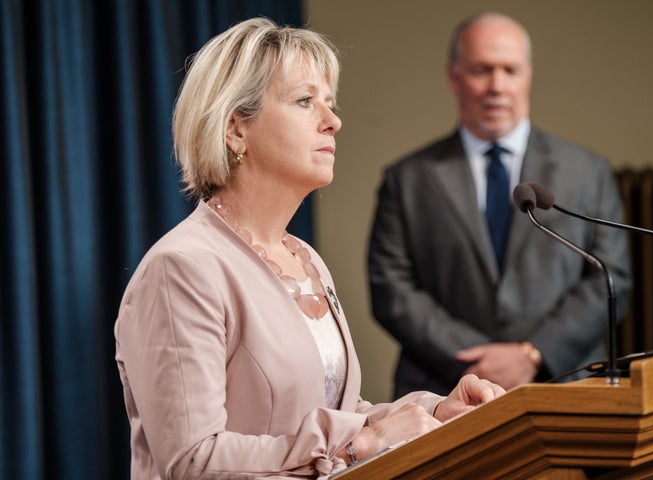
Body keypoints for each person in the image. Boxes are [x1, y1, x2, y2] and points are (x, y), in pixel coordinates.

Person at [114, 17, 505, 480]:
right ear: (235, 129)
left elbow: (334, 407)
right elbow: (193, 461)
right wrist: (360, 441)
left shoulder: (305, 259)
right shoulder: (181, 268)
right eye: (305, 102)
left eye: (330, 104)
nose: (333, 121)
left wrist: (435, 412)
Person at [367, 12, 632, 398]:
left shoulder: (587, 171)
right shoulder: (407, 179)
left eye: (510, 70)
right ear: (454, 77)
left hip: (563, 384)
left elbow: (611, 277)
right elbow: (391, 288)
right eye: (481, 70)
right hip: (440, 393)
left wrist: (532, 353)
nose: (497, 86)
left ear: (529, 75)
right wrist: (481, 364)